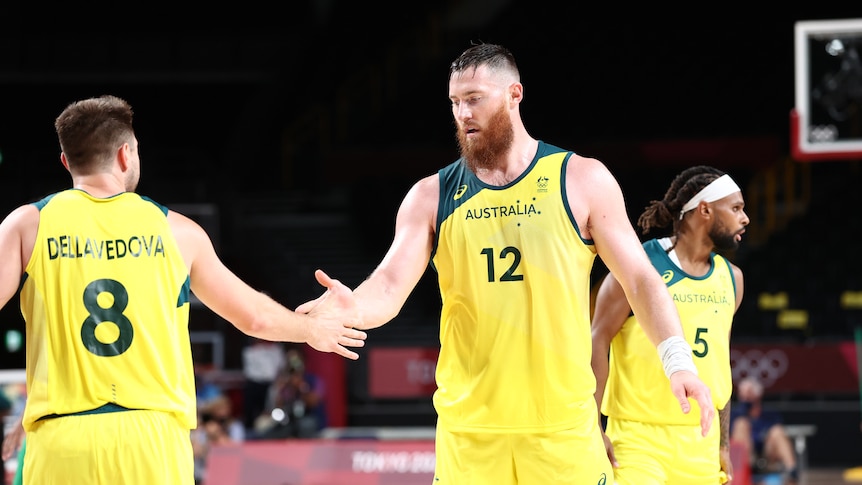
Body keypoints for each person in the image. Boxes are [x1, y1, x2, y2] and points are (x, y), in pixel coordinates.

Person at [298, 43, 714, 484]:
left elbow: (641, 279)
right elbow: (388, 285)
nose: (463, 113)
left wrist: (677, 360)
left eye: (475, 98)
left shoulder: (580, 179)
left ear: (515, 93)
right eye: (455, 103)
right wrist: (351, 308)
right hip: (470, 434)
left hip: (562, 430)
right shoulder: (430, 196)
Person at [0, 95, 367, 484]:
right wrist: (312, 328)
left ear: (66, 162)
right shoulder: (178, 231)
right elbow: (254, 317)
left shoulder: (29, 224)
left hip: (60, 439)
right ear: (126, 155)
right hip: (152, 443)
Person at [591, 166, 749, 484]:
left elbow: (719, 366)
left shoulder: (732, 278)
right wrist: (592, 428)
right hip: (637, 440)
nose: (744, 218)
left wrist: (722, 444)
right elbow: (596, 342)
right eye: (736, 208)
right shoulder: (638, 266)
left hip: (701, 441)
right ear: (704, 210)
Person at [731, 376, 799, 484]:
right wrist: (745, 410)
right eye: (742, 393)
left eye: (749, 393)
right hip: (745, 457)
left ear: (758, 394)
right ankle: (746, 472)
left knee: (777, 431)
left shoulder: (769, 414)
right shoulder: (735, 414)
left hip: (767, 455)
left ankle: (792, 470)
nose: (745, 397)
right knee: (741, 425)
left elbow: (777, 435)